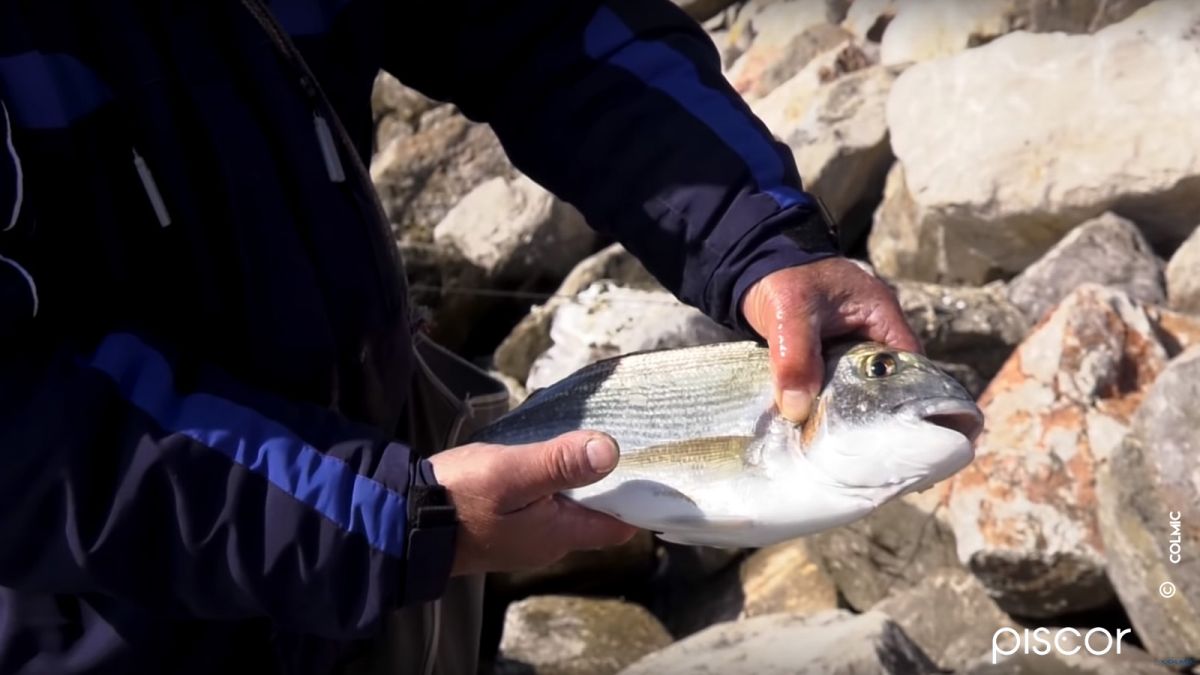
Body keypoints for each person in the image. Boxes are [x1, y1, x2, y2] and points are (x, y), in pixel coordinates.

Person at [0, 1, 919, 673]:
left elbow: (548, 27)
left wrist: (763, 241)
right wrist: (386, 516)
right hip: (109, 621)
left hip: (390, 549)